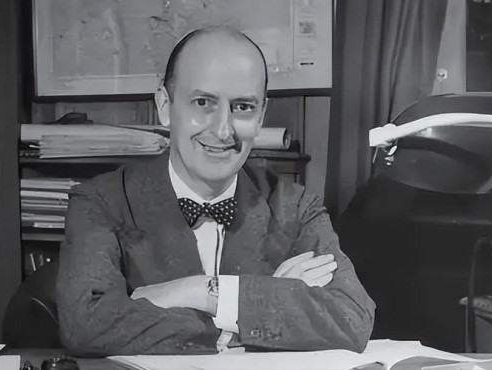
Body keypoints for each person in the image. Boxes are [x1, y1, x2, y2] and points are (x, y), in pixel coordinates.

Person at [56, 26, 375, 356]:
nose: (224, 131)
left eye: (243, 107)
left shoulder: (296, 207)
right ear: (165, 106)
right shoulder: (101, 202)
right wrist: (249, 315)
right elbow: (86, 324)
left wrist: (200, 292)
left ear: (261, 116)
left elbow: (352, 318)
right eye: (203, 102)